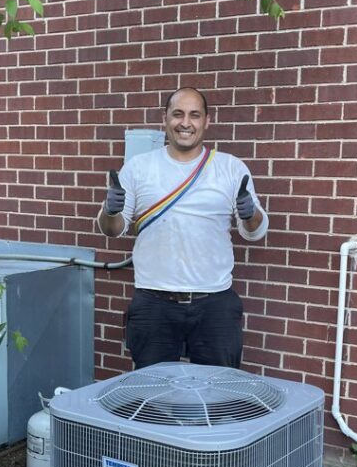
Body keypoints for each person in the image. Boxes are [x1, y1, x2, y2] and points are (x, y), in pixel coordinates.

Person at [97, 87, 268, 369]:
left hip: (214, 303)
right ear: (165, 118)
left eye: (194, 115)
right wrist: (110, 210)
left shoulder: (231, 169)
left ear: (206, 121)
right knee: (149, 392)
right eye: (178, 114)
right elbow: (113, 229)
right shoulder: (139, 168)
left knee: (217, 393)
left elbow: (255, 232)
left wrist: (251, 215)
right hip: (153, 301)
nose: (185, 123)